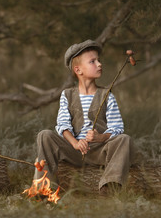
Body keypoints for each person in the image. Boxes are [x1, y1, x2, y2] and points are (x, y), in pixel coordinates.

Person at [34, 40, 134, 196]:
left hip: (100, 151)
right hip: (73, 152)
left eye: (99, 60)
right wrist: (75, 143)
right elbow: (62, 125)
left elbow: (117, 127)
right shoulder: (67, 95)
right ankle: (44, 188)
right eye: (93, 61)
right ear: (78, 69)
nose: (99, 64)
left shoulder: (107, 95)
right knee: (44, 135)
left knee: (124, 139)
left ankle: (110, 186)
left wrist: (101, 137)